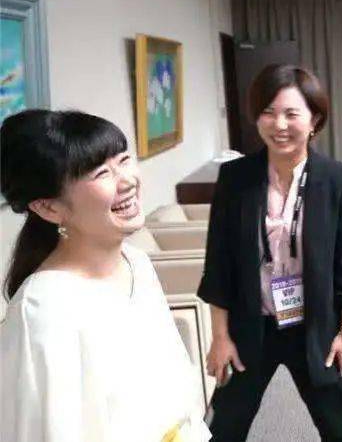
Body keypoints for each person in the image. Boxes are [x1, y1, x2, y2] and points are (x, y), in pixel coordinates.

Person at [0, 110, 210, 442]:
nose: (127, 181)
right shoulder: (43, 309)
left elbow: (174, 385)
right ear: (49, 208)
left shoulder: (136, 263)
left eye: (124, 160)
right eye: (101, 173)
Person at [197, 64, 342, 442]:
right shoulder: (235, 178)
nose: (279, 125)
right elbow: (218, 264)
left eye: (291, 113)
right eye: (268, 112)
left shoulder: (337, 179)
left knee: (336, 425)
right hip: (251, 324)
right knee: (226, 426)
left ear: (314, 119)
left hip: (314, 325)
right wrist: (220, 337)